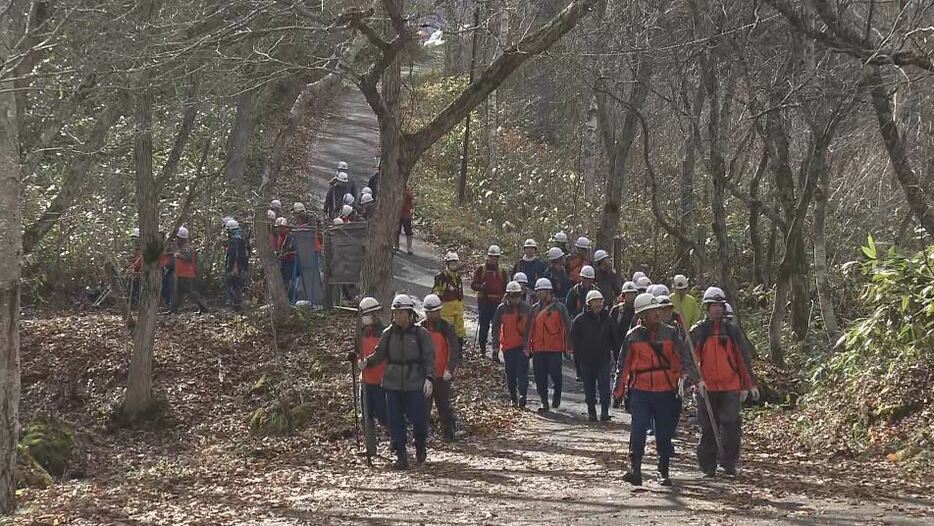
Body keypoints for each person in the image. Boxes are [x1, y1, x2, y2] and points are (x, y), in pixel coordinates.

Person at [614, 292, 702, 486]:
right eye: (652, 311)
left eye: (657, 310)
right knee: (638, 430)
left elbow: (685, 358)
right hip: (640, 391)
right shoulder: (633, 336)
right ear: (642, 315)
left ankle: (663, 470)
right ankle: (634, 468)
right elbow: (623, 365)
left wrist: (694, 380)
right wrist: (618, 390)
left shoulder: (671, 333)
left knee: (664, 433)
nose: (657, 313)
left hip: (666, 391)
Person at [360, 294, 436, 469]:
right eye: (395, 312)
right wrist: (367, 362)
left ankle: (420, 447)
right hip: (392, 383)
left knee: (418, 419)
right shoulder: (388, 334)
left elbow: (429, 357)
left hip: (415, 382)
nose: (397, 316)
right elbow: (379, 354)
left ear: (409, 313)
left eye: (401, 312)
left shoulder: (421, 334)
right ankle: (401, 455)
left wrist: (429, 378)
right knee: (395, 420)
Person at [690, 287, 759, 478]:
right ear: (707, 307)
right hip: (707, 387)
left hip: (730, 386)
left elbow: (742, 359)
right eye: (713, 305)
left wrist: (749, 384)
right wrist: (694, 380)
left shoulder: (732, 332)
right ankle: (708, 465)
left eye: (720, 305)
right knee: (708, 428)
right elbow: (689, 358)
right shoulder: (698, 331)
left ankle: (729, 463)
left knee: (731, 425)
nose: (717, 309)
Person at [421, 294, 461, 442]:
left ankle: (448, 433)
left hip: (442, 375)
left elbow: (454, 349)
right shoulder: (420, 328)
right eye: (428, 312)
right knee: (423, 408)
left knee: (443, 405)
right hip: (425, 376)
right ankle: (422, 437)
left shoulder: (447, 327)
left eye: (434, 311)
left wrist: (449, 369)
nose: (430, 314)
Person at [570, 290, 615, 422]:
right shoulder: (579, 320)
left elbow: (614, 339)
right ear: (589, 304)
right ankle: (592, 412)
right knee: (589, 388)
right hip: (586, 360)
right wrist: (578, 360)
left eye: (600, 301)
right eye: (595, 301)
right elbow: (574, 341)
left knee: (605, 386)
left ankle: (605, 412)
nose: (598, 304)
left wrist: (616, 355)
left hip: (603, 359)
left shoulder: (608, 319)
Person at [529, 278, 572, 414]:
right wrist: (528, 347)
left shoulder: (560, 308)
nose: (540, 293)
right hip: (538, 348)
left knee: (555, 374)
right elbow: (529, 329)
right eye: (538, 291)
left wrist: (568, 348)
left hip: (554, 348)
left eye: (543, 291)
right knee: (539, 376)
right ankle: (544, 401)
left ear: (549, 291)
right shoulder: (534, 309)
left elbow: (567, 328)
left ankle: (557, 391)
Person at [354, 297, 388, 452]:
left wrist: (369, 362)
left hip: (381, 381)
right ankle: (370, 447)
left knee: (384, 415)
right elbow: (357, 351)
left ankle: (396, 442)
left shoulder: (384, 333)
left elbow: (382, 355)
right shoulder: (360, 332)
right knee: (366, 416)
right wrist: (355, 360)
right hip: (365, 380)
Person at [492, 281, 533, 407]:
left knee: (522, 372)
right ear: (508, 296)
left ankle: (523, 395)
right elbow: (496, 327)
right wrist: (495, 346)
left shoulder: (526, 308)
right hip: (508, 346)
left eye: (518, 295)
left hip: (522, 346)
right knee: (510, 373)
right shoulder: (501, 309)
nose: (516, 299)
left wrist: (529, 345)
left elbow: (530, 328)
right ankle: (513, 397)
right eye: (513, 296)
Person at [471, 245, 509, 360]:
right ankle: (482, 349)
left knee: (496, 327)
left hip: (497, 303)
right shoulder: (481, 269)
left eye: (495, 257)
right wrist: (481, 287)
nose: (493, 259)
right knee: (484, 325)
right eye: (491, 257)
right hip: (484, 301)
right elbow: (473, 285)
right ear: (488, 257)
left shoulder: (502, 271)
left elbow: (506, 287)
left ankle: (495, 351)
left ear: (498, 258)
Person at [171, 226, 209, 314]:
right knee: (178, 293)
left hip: (187, 274)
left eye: (177, 238)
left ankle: (204, 307)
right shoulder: (180, 247)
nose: (176, 240)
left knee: (192, 293)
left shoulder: (186, 247)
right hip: (180, 274)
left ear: (181, 238)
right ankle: (173, 310)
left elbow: (188, 258)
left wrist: (178, 255)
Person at [432, 252, 466, 348]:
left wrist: (462, 304)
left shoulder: (458, 277)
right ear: (447, 264)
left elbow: (461, 292)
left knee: (460, 332)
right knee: (447, 332)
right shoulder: (441, 277)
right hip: (446, 310)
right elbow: (435, 292)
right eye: (451, 263)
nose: (454, 266)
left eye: (455, 263)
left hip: (458, 309)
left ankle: (459, 354)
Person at [609, 281, 639, 364]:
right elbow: (609, 328)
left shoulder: (639, 311)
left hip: (634, 346)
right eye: (628, 294)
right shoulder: (616, 310)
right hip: (618, 346)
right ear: (623, 295)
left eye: (632, 294)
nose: (630, 296)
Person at [224, 219, 249, 312]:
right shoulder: (242, 241)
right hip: (241, 267)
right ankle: (237, 305)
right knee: (237, 286)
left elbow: (235, 256)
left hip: (235, 268)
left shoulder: (234, 242)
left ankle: (236, 306)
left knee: (232, 285)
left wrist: (234, 268)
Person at [274, 217, 297, 303]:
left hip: (290, 262)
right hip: (283, 262)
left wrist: (284, 254)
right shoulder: (280, 237)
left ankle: (291, 300)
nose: (279, 230)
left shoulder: (290, 237)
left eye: (280, 228)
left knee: (289, 281)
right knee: (284, 282)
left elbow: (292, 248)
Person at [396, 187, 414, 255]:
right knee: (396, 230)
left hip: (406, 214)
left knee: (408, 231)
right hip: (397, 213)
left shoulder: (407, 192)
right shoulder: (396, 189)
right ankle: (396, 245)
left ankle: (409, 247)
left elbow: (411, 196)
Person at [127, 228, 142, 308]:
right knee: (130, 290)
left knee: (140, 291)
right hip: (134, 275)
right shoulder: (135, 250)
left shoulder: (143, 250)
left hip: (141, 275)